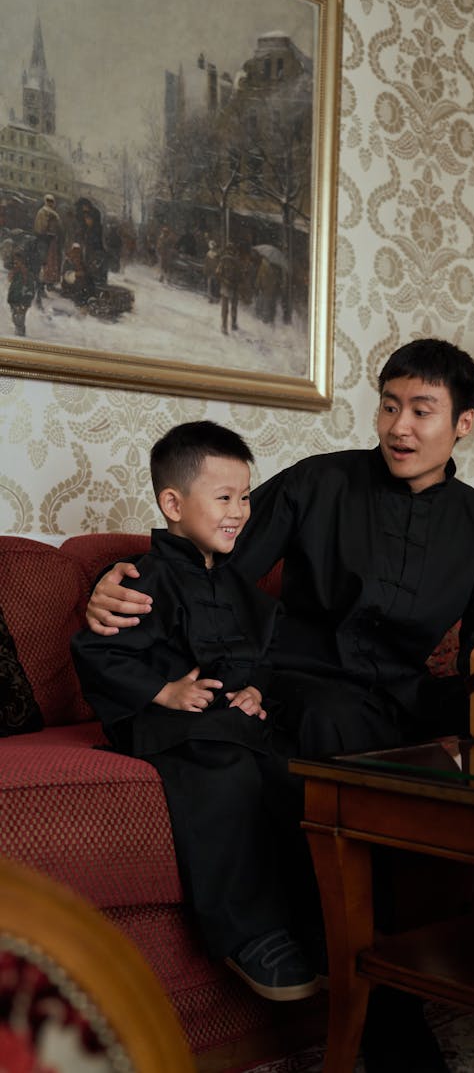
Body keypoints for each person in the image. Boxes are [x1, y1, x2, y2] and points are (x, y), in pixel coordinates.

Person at [85, 338, 474, 1070]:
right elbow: (207, 555)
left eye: (422, 410)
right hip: (293, 680)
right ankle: (383, 1004)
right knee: (337, 728)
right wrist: (117, 576)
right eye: (390, 405)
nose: (400, 426)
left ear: (464, 424)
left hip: (401, 695)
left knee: (465, 743)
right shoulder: (319, 483)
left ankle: (445, 960)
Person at [72, 420, 322, 1004]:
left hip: (226, 717)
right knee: (224, 766)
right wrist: (163, 691)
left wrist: (257, 690)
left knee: (292, 768)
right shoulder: (143, 577)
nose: (239, 511)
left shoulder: (240, 585)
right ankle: (249, 933)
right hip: (162, 720)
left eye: (244, 497)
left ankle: (311, 927)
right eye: (224, 497)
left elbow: (267, 651)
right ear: (172, 503)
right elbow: (97, 651)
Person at [32, 193, 63, 303]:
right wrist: (47, 235)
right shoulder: (43, 212)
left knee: (50, 264)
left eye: (51, 201)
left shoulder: (53, 213)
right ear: (46, 201)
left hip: (52, 242)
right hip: (45, 241)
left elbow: (57, 228)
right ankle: (40, 291)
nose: (50, 203)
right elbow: (40, 228)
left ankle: (45, 286)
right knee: (43, 265)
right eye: (48, 200)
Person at [6, 248, 36, 336]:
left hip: (21, 301)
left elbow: (30, 290)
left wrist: (25, 305)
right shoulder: (16, 272)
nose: (15, 263)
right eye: (14, 261)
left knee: (19, 321)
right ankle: (19, 335)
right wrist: (12, 274)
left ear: (22, 261)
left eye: (17, 261)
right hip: (14, 300)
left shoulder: (26, 274)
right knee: (15, 319)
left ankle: (21, 338)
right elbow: (10, 281)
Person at [216, 240, 242, 333]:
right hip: (233, 286)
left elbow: (218, 273)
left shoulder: (223, 260)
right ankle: (233, 324)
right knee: (233, 307)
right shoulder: (236, 260)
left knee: (225, 307)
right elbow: (240, 275)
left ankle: (224, 326)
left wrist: (223, 280)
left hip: (227, 286)